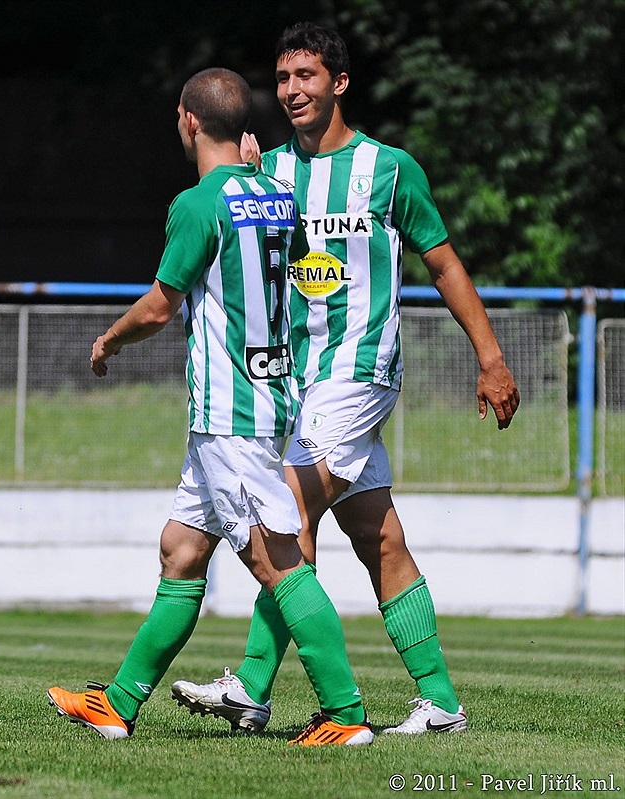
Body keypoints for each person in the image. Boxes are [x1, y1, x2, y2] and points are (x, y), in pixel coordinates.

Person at [171, 24, 520, 735]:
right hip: (300, 386)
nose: (293, 90)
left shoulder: (390, 169)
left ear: (340, 83)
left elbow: (444, 264)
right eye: (283, 78)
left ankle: (254, 685)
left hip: (360, 372)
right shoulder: (267, 173)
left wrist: (490, 356)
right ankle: (442, 702)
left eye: (307, 75)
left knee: (289, 514)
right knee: (377, 536)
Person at [46, 66, 374, 747]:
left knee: (275, 560)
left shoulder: (197, 204)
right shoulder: (277, 195)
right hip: (248, 408)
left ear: (191, 122)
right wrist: (259, 180)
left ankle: (345, 713)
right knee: (181, 550)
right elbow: (310, 268)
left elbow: (163, 305)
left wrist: (109, 338)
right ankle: (119, 702)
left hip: (233, 416)